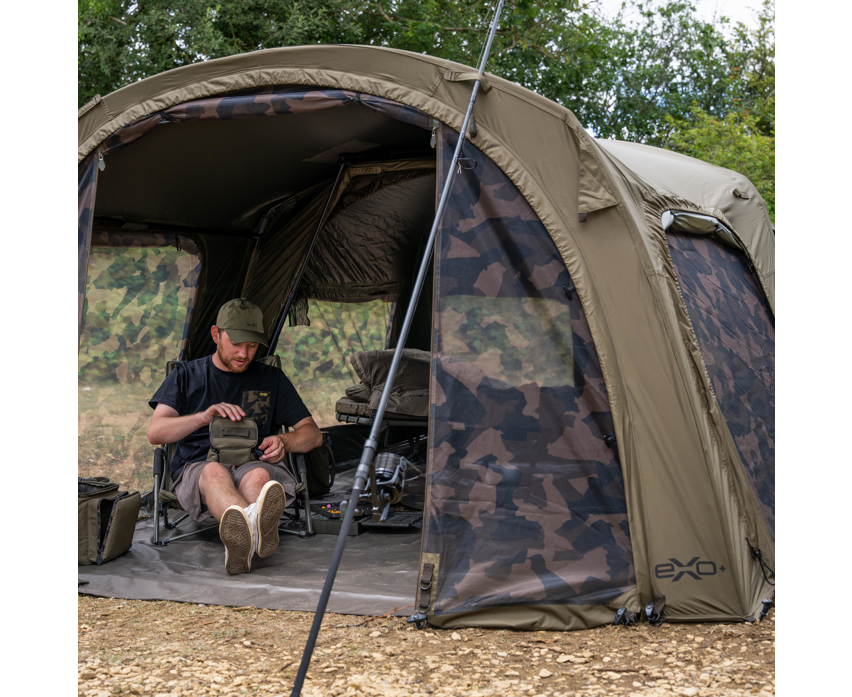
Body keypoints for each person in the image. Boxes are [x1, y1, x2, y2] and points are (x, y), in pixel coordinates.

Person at [147, 298, 322, 575]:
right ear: (216, 334)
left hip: (255, 461)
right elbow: (156, 432)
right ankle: (256, 532)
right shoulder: (186, 375)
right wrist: (203, 417)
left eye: (252, 346)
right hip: (199, 466)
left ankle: (242, 541)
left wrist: (284, 442)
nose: (244, 354)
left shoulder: (271, 378)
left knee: (260, 476)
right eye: (236, 344)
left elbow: (313, 435)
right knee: (214, 472)